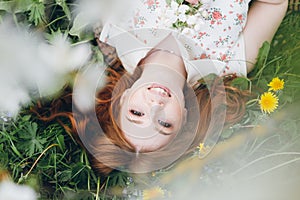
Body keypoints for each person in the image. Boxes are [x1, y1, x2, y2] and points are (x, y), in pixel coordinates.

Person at [37, 0, 288, 175]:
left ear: (122, 99)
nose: (155, 107)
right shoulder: (228, 65)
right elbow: (273, 4)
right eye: (164, 124)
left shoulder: (114, 30)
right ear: (186, 117)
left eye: (137, 114)